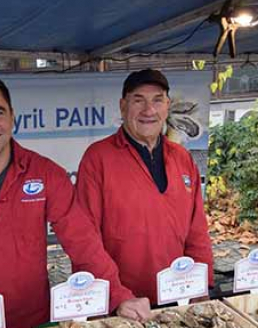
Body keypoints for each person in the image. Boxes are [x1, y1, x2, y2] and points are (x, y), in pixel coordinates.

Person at [0, 76, 151, 328]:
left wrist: (118, 296)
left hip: (34, 322)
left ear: (12, 117)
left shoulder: (45, 172)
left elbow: (82, 240)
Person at [76, 69, 214, 304]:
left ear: (167, 105)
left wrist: (202, 282)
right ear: (123, 106)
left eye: (157, 100)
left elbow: (197, 230)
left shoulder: (182, 158)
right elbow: (85, 239)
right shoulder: (98, 158)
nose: (148, 110)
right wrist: (116, 297)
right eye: (138, 100)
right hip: (123, 304)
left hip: (178, 297)